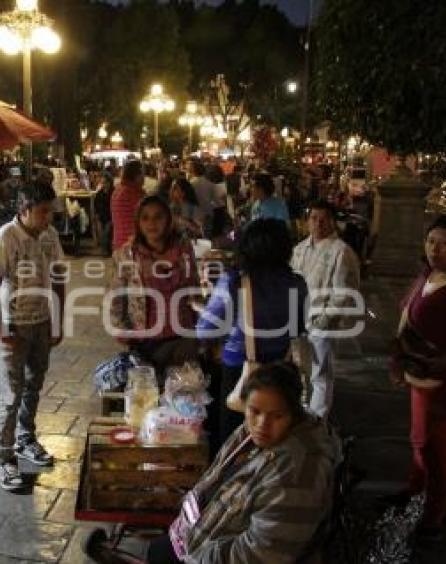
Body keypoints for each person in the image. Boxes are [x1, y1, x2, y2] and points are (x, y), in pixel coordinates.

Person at [148, 362, 340, 564]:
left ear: (294, 415)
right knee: (155, 551)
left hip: (214, 556)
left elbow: (262, 554)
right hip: (199, 539)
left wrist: (198, 558)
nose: (262, 424)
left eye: (277, 416)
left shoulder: (297, 474)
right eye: (255, 411)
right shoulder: (250, 435)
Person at [197, 219, 308, 454]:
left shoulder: (234, 282)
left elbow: (205, 329)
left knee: (233, 443)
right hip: (281, 372)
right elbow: (298, 329)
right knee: (273, 442)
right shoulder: (297, 284)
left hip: (241, 372)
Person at [0, 180, 66, 491]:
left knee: (34, 384)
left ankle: (25, 438)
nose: (48, 218)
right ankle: (3, 458)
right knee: (11, 393)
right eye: (43, 212)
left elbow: (58, 278)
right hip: (12, 325)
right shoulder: (4, 239)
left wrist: (58, 322)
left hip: (41, 322)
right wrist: (0, 329)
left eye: (50, 212)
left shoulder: (50, 235)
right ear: (24, 209)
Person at [387, 215, 446, 540]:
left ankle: (432, 518)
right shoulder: (429, 274)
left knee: (438, 453)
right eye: (431, 240)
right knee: (420, 443)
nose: (436, 248)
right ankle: (413, 491)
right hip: (420, 378)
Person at [110, 196, 200, 389]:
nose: (152, 223)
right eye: (145, 218)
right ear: (138, 222)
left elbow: (194, 285)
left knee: (183, 400)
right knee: (149, 398)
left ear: (168, 220)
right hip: (146, 342)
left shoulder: (184, 249)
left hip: (183, 338)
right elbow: (116, 298)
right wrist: (122, 331)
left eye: (158, 217)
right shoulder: (126, 254)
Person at [291, 200, 361, 418]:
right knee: (301, 369)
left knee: (320, 374)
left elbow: (344, 292)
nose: (318, 224)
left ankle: (318, 421)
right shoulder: (300, 248)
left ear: (332, 222)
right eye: (314, 218)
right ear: (307, 222)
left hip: (323, 321)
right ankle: (304, 413)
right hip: (299, 318)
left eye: (324, 219)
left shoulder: (341, 251)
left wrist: (325, 318)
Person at [111, 160, 146, 250]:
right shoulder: (134, 192)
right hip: (133, 243)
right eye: (142, 174)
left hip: (118, 242)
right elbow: (147, 215)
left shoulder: (117, 190)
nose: (144, 178)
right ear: (136, 175)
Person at [188, 161, 217, 238]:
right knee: (207, 236)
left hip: (196, 214)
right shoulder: (210, 183)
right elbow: (213, 200)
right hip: (208, 212)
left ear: (193, 170)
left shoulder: (191, 183)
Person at [93, 171, 114, 257]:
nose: (104, 184)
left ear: (109, 182)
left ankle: (106, 250)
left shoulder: (113, 192)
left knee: (107, 232)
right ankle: (105, 250)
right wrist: (97, 215)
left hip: (110, 216)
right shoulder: (99, 194)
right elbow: (96, 205)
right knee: (102, 233)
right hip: (101, 216)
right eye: (102, 182)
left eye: (105, 182)